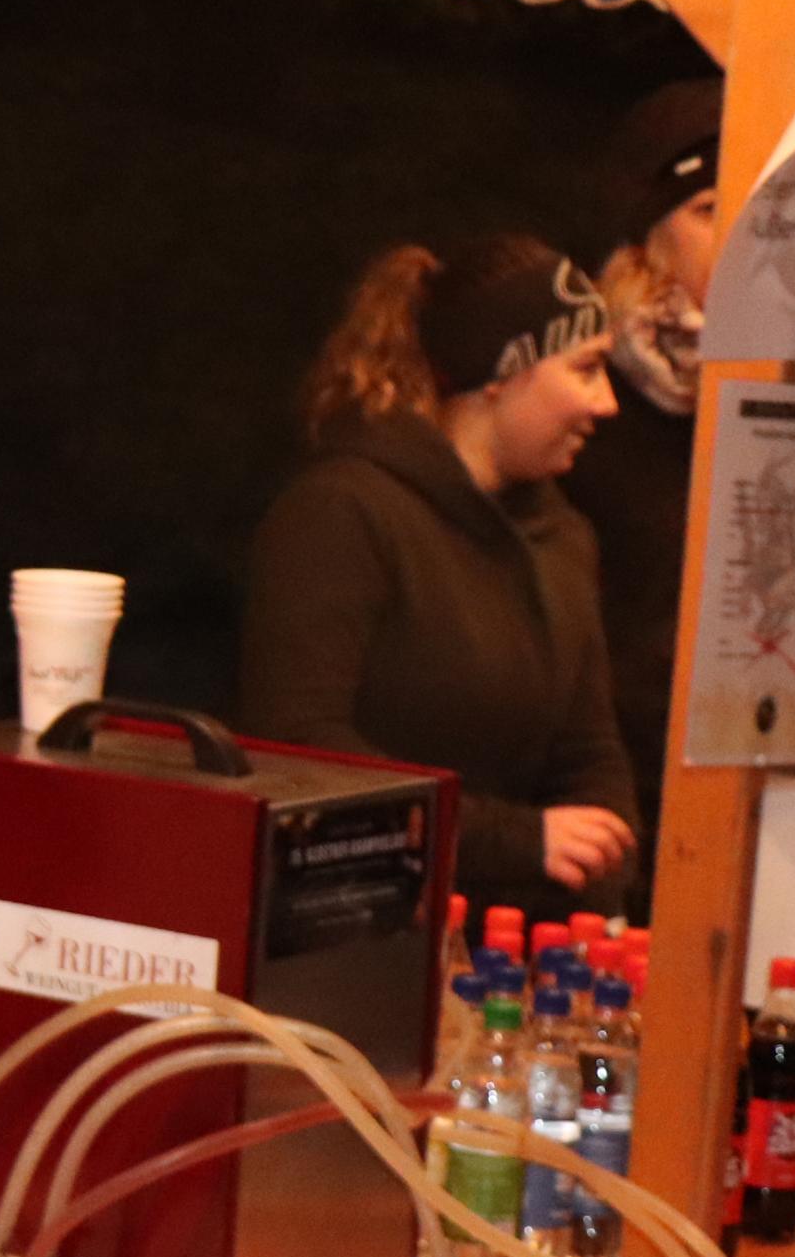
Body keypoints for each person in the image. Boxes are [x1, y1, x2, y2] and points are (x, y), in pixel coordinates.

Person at [240, 219, 641, 925]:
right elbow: (297, 749)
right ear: (503, 373)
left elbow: (589, 750)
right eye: (584, 369)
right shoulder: (343, 514)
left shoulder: (562, 537)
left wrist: (601, 861)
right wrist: (518, 842)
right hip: (357, 928)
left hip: (514, 942)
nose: (605, 402)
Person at [564, 82, 795, 827]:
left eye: (767, 210)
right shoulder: (587, 382)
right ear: (646, 239)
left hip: (793, 779)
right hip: (614, 790)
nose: (745, 234)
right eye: (710, 209)